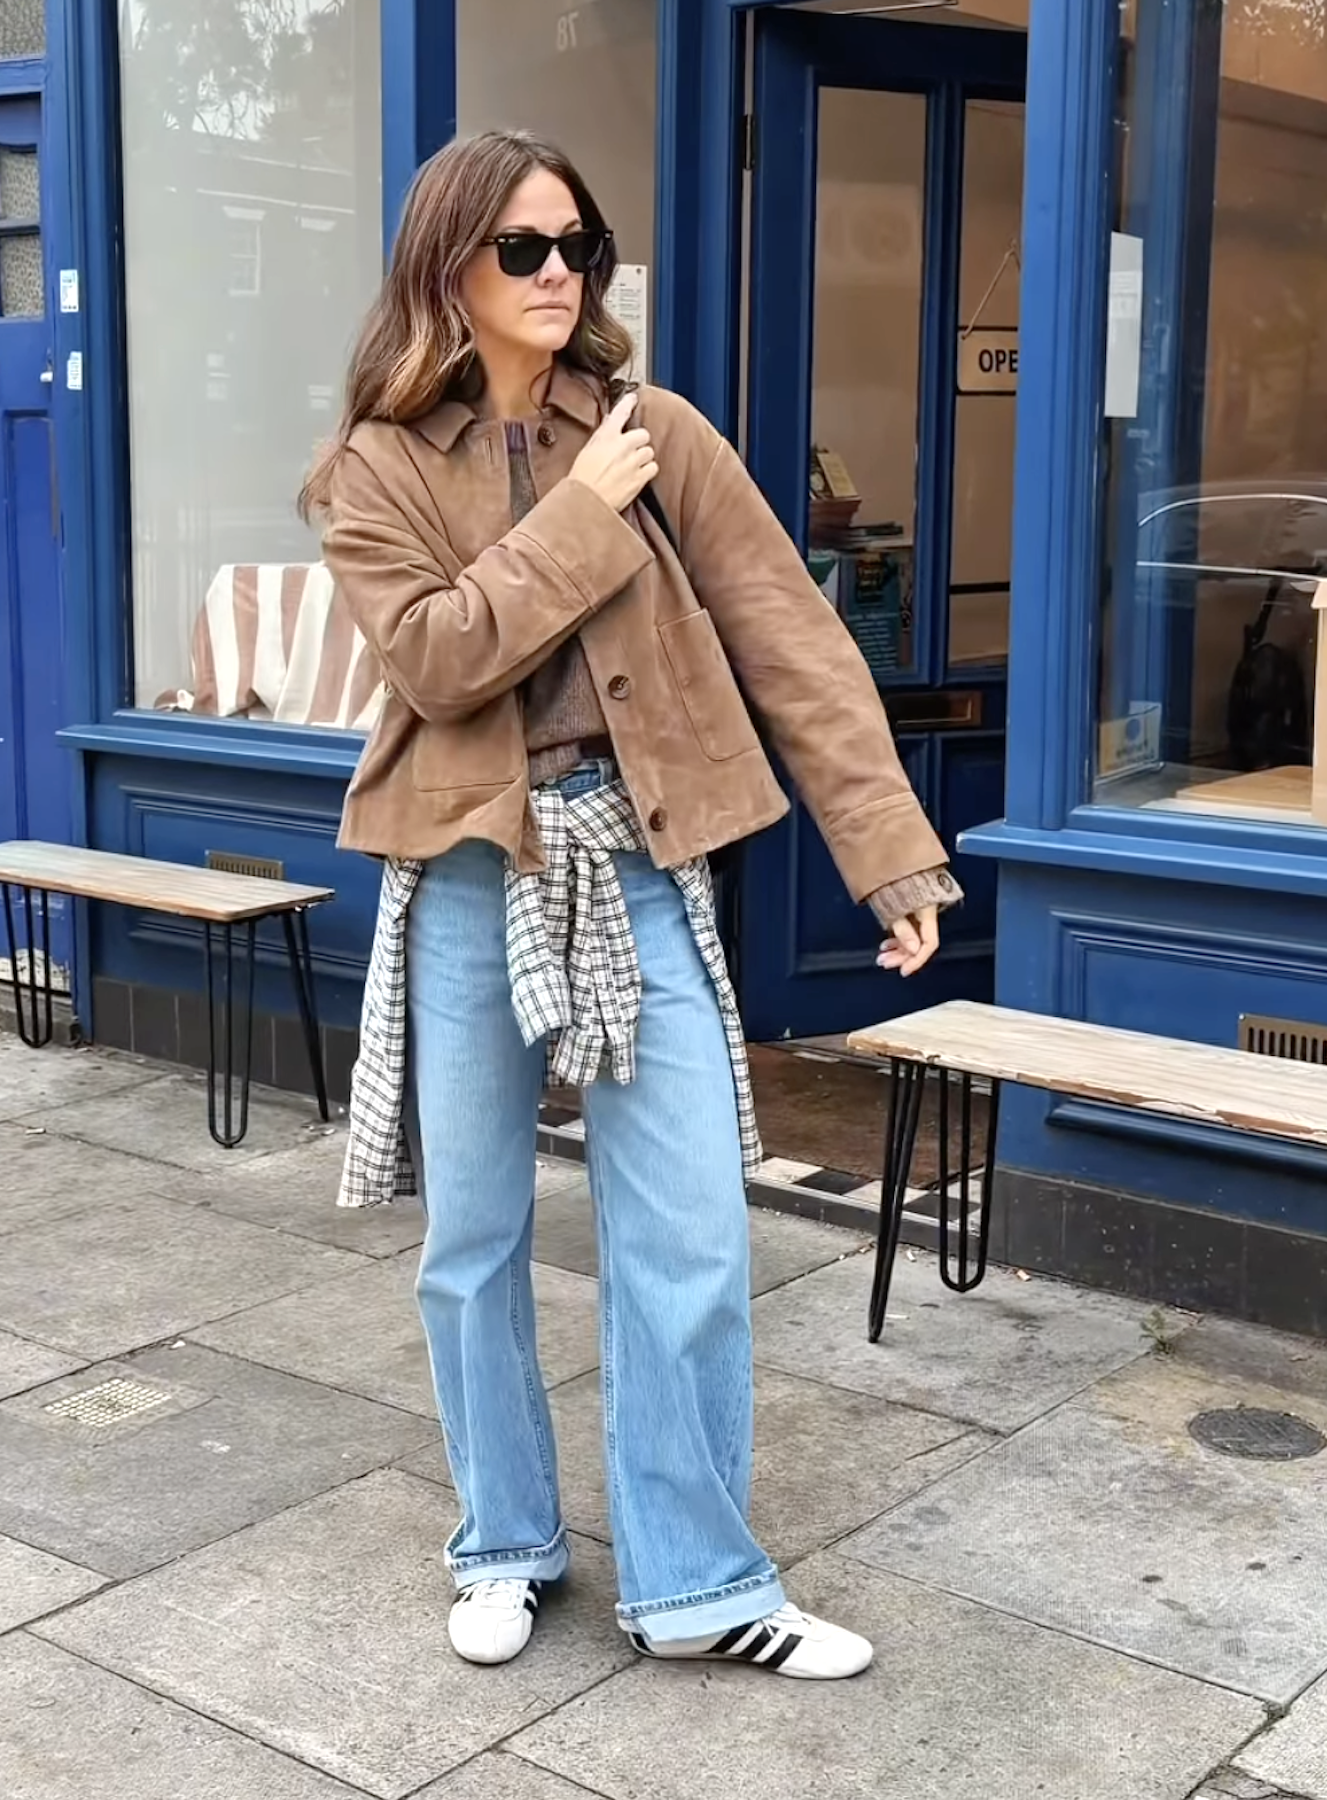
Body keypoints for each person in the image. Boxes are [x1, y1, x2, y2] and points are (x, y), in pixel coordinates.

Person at [303, 129, 962, 1680]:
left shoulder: (653, 430)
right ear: (446, 263)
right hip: (470, 871)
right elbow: (441, 658)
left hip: (638, 855)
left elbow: (791, 633)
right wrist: (582, 517)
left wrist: (889, 851)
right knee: (474, 1237)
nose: (558, 274)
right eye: (522, 248)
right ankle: (505, 1543)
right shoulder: (370, 468)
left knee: (690, 1229)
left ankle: (700, 1583)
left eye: (577, 246)